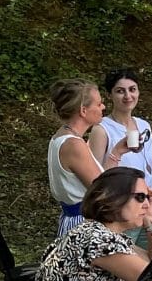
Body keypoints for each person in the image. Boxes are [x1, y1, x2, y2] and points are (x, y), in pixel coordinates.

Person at [48, 79, 123, 237]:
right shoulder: (73, 145)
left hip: (78, 221)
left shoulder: (63, 137)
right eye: (99, 104)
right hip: (84, 226)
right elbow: (104, 189)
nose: (103, 107)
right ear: (83, 110)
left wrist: (117, 152)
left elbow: (99, 179)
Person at [90, 69, 152, 197]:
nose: (128, 96)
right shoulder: (101, 130)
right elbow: (94, 178)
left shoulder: (143, 125)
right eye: (120, 91)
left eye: (132, 89)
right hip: (122, 201)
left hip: (150, 199)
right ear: (109, 95)